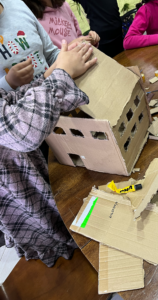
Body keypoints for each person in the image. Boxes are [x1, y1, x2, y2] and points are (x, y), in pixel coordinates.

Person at [0, 0, 97, 267]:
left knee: (73, 192)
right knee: (52, 229)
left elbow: (52, 55)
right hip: (18, 173)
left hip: (54, 123)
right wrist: (62, 73)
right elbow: (21, 130)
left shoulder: (16, 6)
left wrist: (67, 58)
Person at [22, 0, 100, 49]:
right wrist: (72, 46)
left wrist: (89, 39)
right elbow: (46, 62)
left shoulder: (64, 5)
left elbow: (78, 36)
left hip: (83, 62)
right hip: (64, 72)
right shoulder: (31, 20)